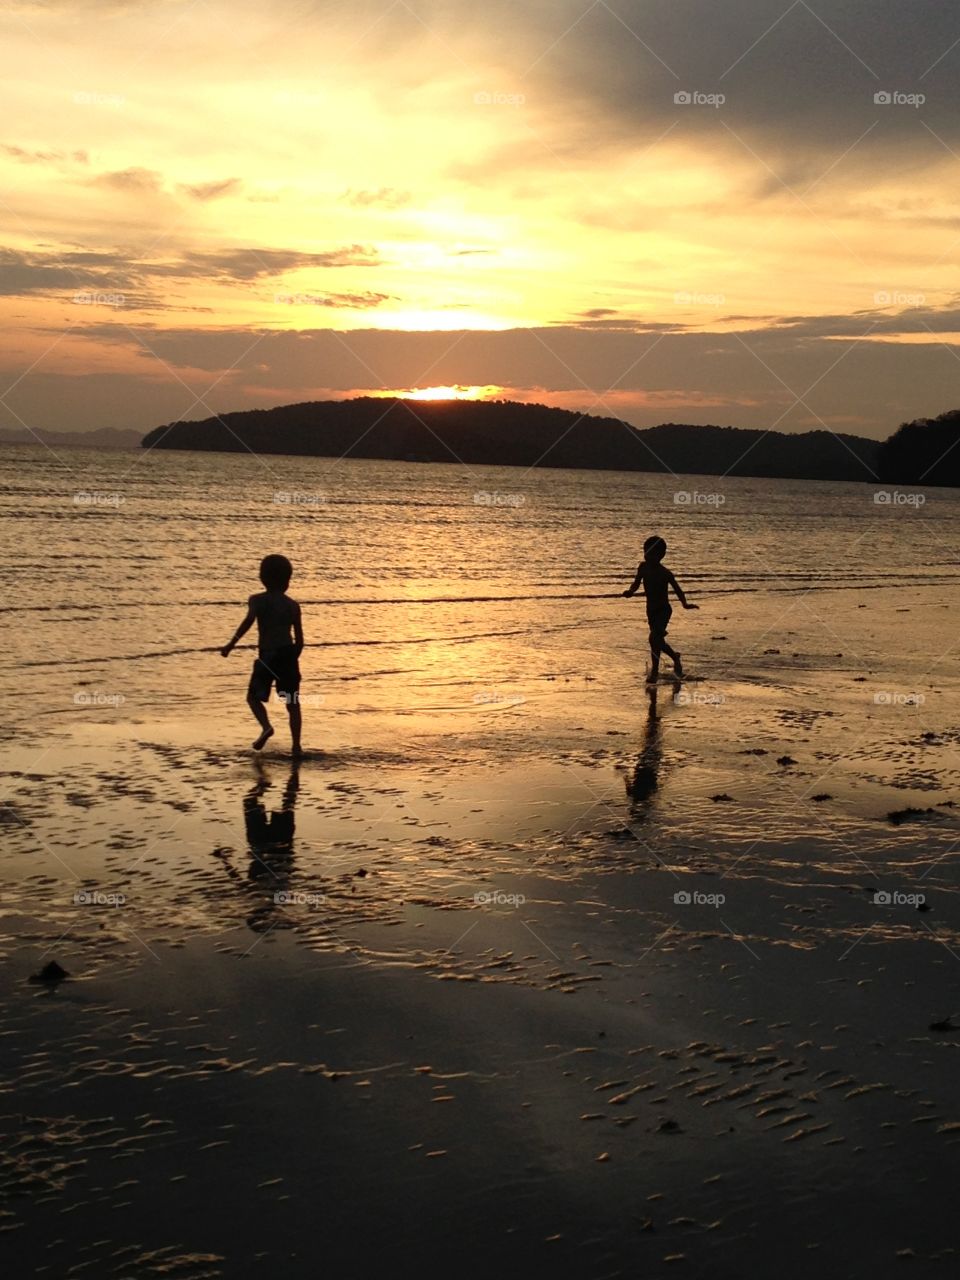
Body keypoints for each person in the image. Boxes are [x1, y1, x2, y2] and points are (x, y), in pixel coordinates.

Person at [221, 554, 304, 755]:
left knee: (252, 697)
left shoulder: (257, 600)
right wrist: (293, 659)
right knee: (292, 703)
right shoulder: (292, 605)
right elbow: (300, 639)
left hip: (267, 656)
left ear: (262, 578)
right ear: (287, 581)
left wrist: (231, 644)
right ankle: (296, 746)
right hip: (287, 655)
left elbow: (248, 622)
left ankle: (266, 727)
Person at [622, 535, 697, 681]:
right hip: (651, 610)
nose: (648, 556)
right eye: (646, 552)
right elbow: (636, 583)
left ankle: (655, 672)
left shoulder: (665, 573)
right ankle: (675, 657)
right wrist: (630, 592)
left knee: (653, 638)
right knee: (658, 642)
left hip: (663, 610)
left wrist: (685, 603)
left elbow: (677, 589)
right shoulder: (642, 567)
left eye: (651, 553)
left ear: (661, 555)